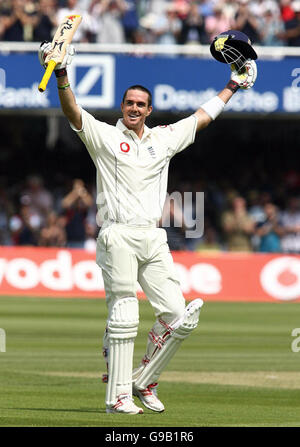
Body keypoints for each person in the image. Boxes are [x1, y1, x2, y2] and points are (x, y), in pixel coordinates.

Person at [38, 34, 257, 414]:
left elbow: (201, 117)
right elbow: (73, 113)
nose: (134, 108)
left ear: (150, 109)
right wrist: (62, 73)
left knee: (178, 316)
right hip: (117, 233)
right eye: (128, 103)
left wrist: (233, 86)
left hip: (153, 238)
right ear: (121, 107)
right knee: (124, 313)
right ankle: (117, 397)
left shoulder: (164, 139)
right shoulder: (105, 137)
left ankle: (143, 380)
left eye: (140, 104)